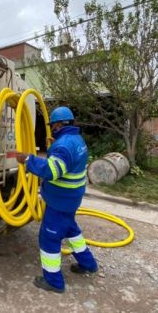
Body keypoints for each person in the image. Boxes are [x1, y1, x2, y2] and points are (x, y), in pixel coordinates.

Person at [16, 106, 97, 293]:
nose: (52, 128)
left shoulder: (63, 145)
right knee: (71, 231)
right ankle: (88, 264)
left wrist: (29, 160)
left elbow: (52, 171)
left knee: (49, 238)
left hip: (59, 202)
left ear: (59, 124)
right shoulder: (77, 140)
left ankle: (53, 281)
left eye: (53, 125)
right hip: (71, 200)